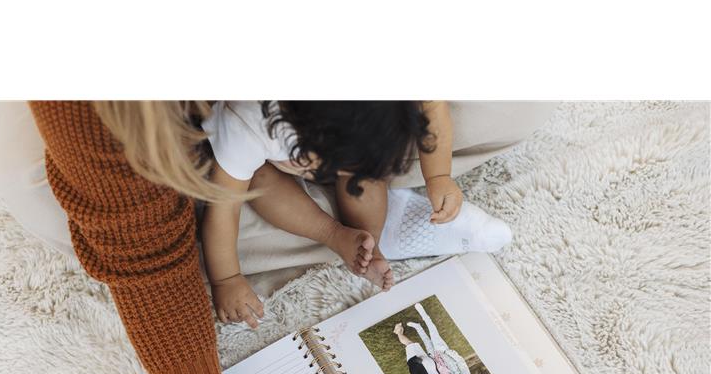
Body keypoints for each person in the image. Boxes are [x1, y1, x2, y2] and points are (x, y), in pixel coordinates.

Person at [0, 100, 555, 374]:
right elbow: (151, 244)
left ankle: (371, 217)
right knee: (43, 201)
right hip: (212, 147)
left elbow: (428, 109)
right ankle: (355, 224)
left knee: (521, 104)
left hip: (310, 131)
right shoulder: (221, 122)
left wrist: (436, 175)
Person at [200, 101, 514, 325]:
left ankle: (372, 244)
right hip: (257, 158)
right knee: (257, 182)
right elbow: (223, 208)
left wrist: (438, 176)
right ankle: (334, 234)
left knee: (365, 178)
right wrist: (226, 279)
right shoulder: (246, 123)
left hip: (333, 131)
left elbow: (433, 107)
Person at [407, 302, 474, 374]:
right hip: (442, 352)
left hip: (433, 359)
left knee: (426, 340)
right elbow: (460, 361)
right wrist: (447, 351)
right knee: (433, 331)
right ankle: (421, 311)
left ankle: (417, 327)